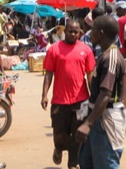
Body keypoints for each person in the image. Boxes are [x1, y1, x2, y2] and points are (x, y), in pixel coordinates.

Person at [42, 20, 96, 169]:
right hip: (60, 100)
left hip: (81, 100)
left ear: (80, 33)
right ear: (64, 32)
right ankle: (58, 148)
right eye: (70, 31)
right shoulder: (54, 49)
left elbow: (90, 75)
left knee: (77, 134)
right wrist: (44, 95)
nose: (73, 34)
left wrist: (94, 96)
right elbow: (48, 73)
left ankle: (73, 163)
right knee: (59, 133)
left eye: (76, 32)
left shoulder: (86, 50)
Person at [76, 15, 126, 169]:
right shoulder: (103, 56)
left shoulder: (111, 58)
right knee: (86, 161)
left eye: (93, 30)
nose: (90, 33)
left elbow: (106, 94)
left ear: (101, 33)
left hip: (106, 118)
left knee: (106, 163)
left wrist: (88, 124)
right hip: (97, 117)